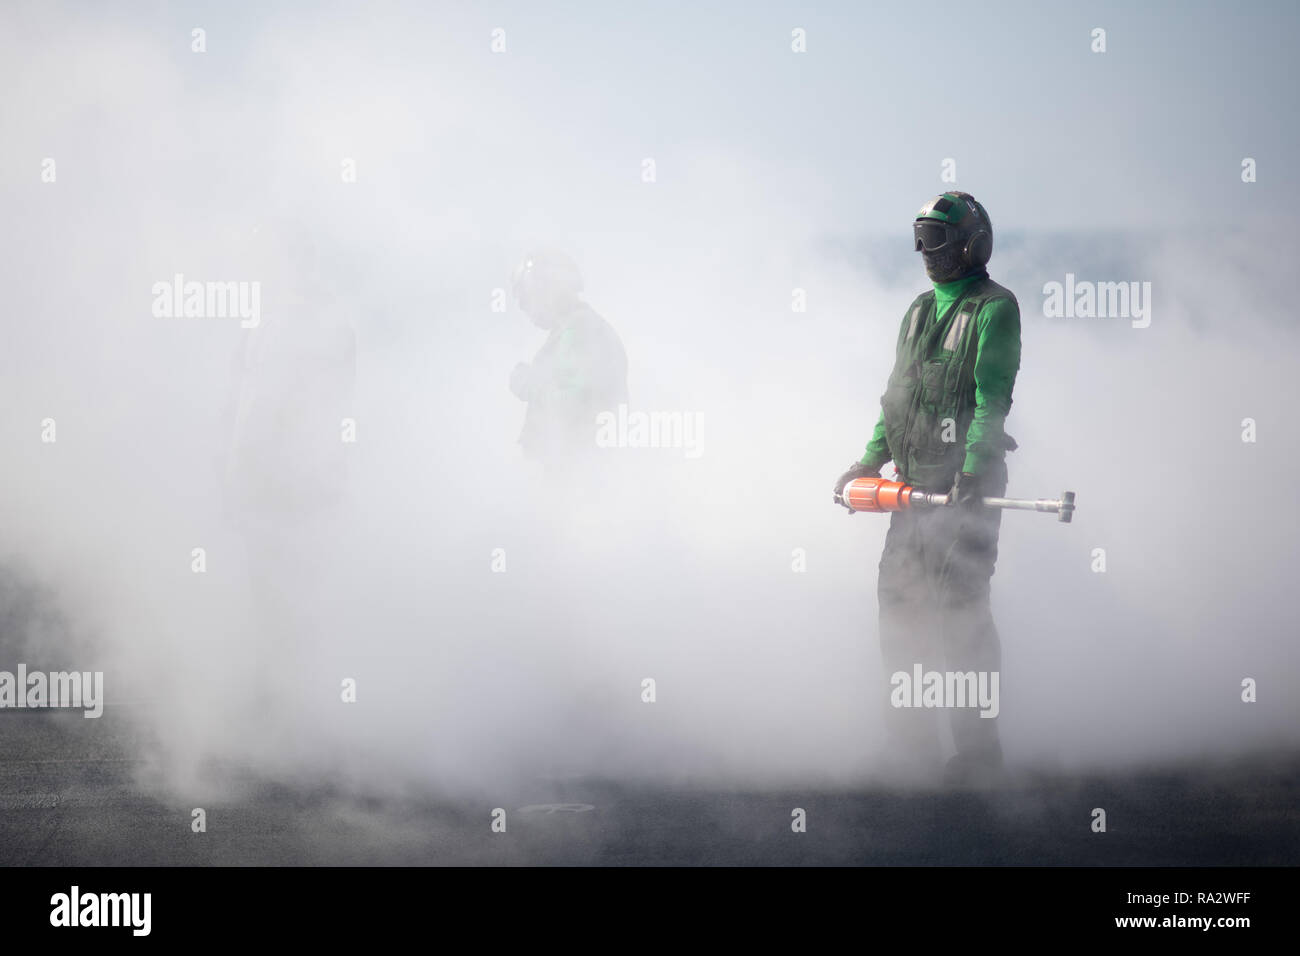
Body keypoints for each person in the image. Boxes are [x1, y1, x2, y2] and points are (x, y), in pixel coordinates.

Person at [834, 191, 1021, 786]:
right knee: (901, 613)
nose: (925, 252)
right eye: (920, 238)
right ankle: (909, 746)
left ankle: (978, 755)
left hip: (964, 490)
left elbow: (994, 399)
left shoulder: (995, 308)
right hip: (912, 494)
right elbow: (897, 396)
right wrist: (868, 461)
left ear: (971, 243)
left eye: (936, 240)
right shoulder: (917, 311)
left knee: (960, 615)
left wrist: (972, 468)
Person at [509, 250, 628, 469]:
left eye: (527, 298)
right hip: (578, 473)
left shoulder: (578, 332)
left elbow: (575, 404)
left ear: (547, 290)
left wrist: (530, 383)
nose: (524, 308)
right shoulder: (577, 329)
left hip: (578, 474)